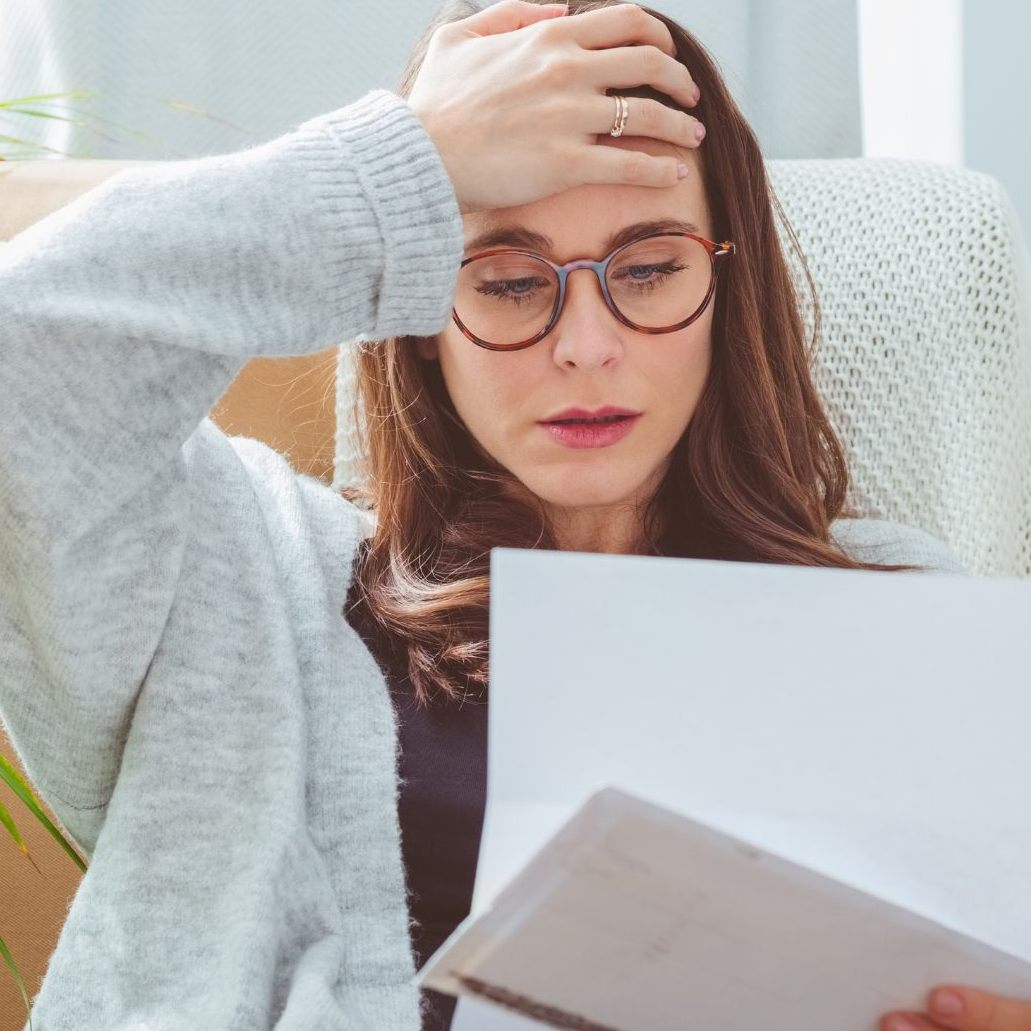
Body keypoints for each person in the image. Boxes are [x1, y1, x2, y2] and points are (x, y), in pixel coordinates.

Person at [0, 0, 1023, 1029]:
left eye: (647, 267)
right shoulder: (247, 587)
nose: (584, 343)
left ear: (725, 281)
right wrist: (404, 162)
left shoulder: (904, 616)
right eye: (506, 279)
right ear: (421, 310)